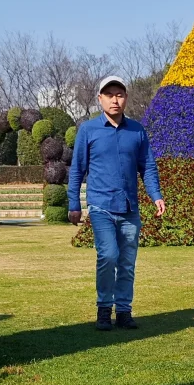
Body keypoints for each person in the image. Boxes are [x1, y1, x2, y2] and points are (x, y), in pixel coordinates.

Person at [67, 76, 166, 330]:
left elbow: (149, 167)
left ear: (126, 98)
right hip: (100, 206)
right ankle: (103, 309)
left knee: (127, 262)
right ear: (99, 99)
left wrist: (156, 195)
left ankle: (123, 311)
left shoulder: (137, 130)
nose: (115, 99)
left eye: (119, 94)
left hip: (130, 208)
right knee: (108, 255)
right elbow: (77, 169)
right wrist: (73, 204)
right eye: (109, 94)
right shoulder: (88, 130)